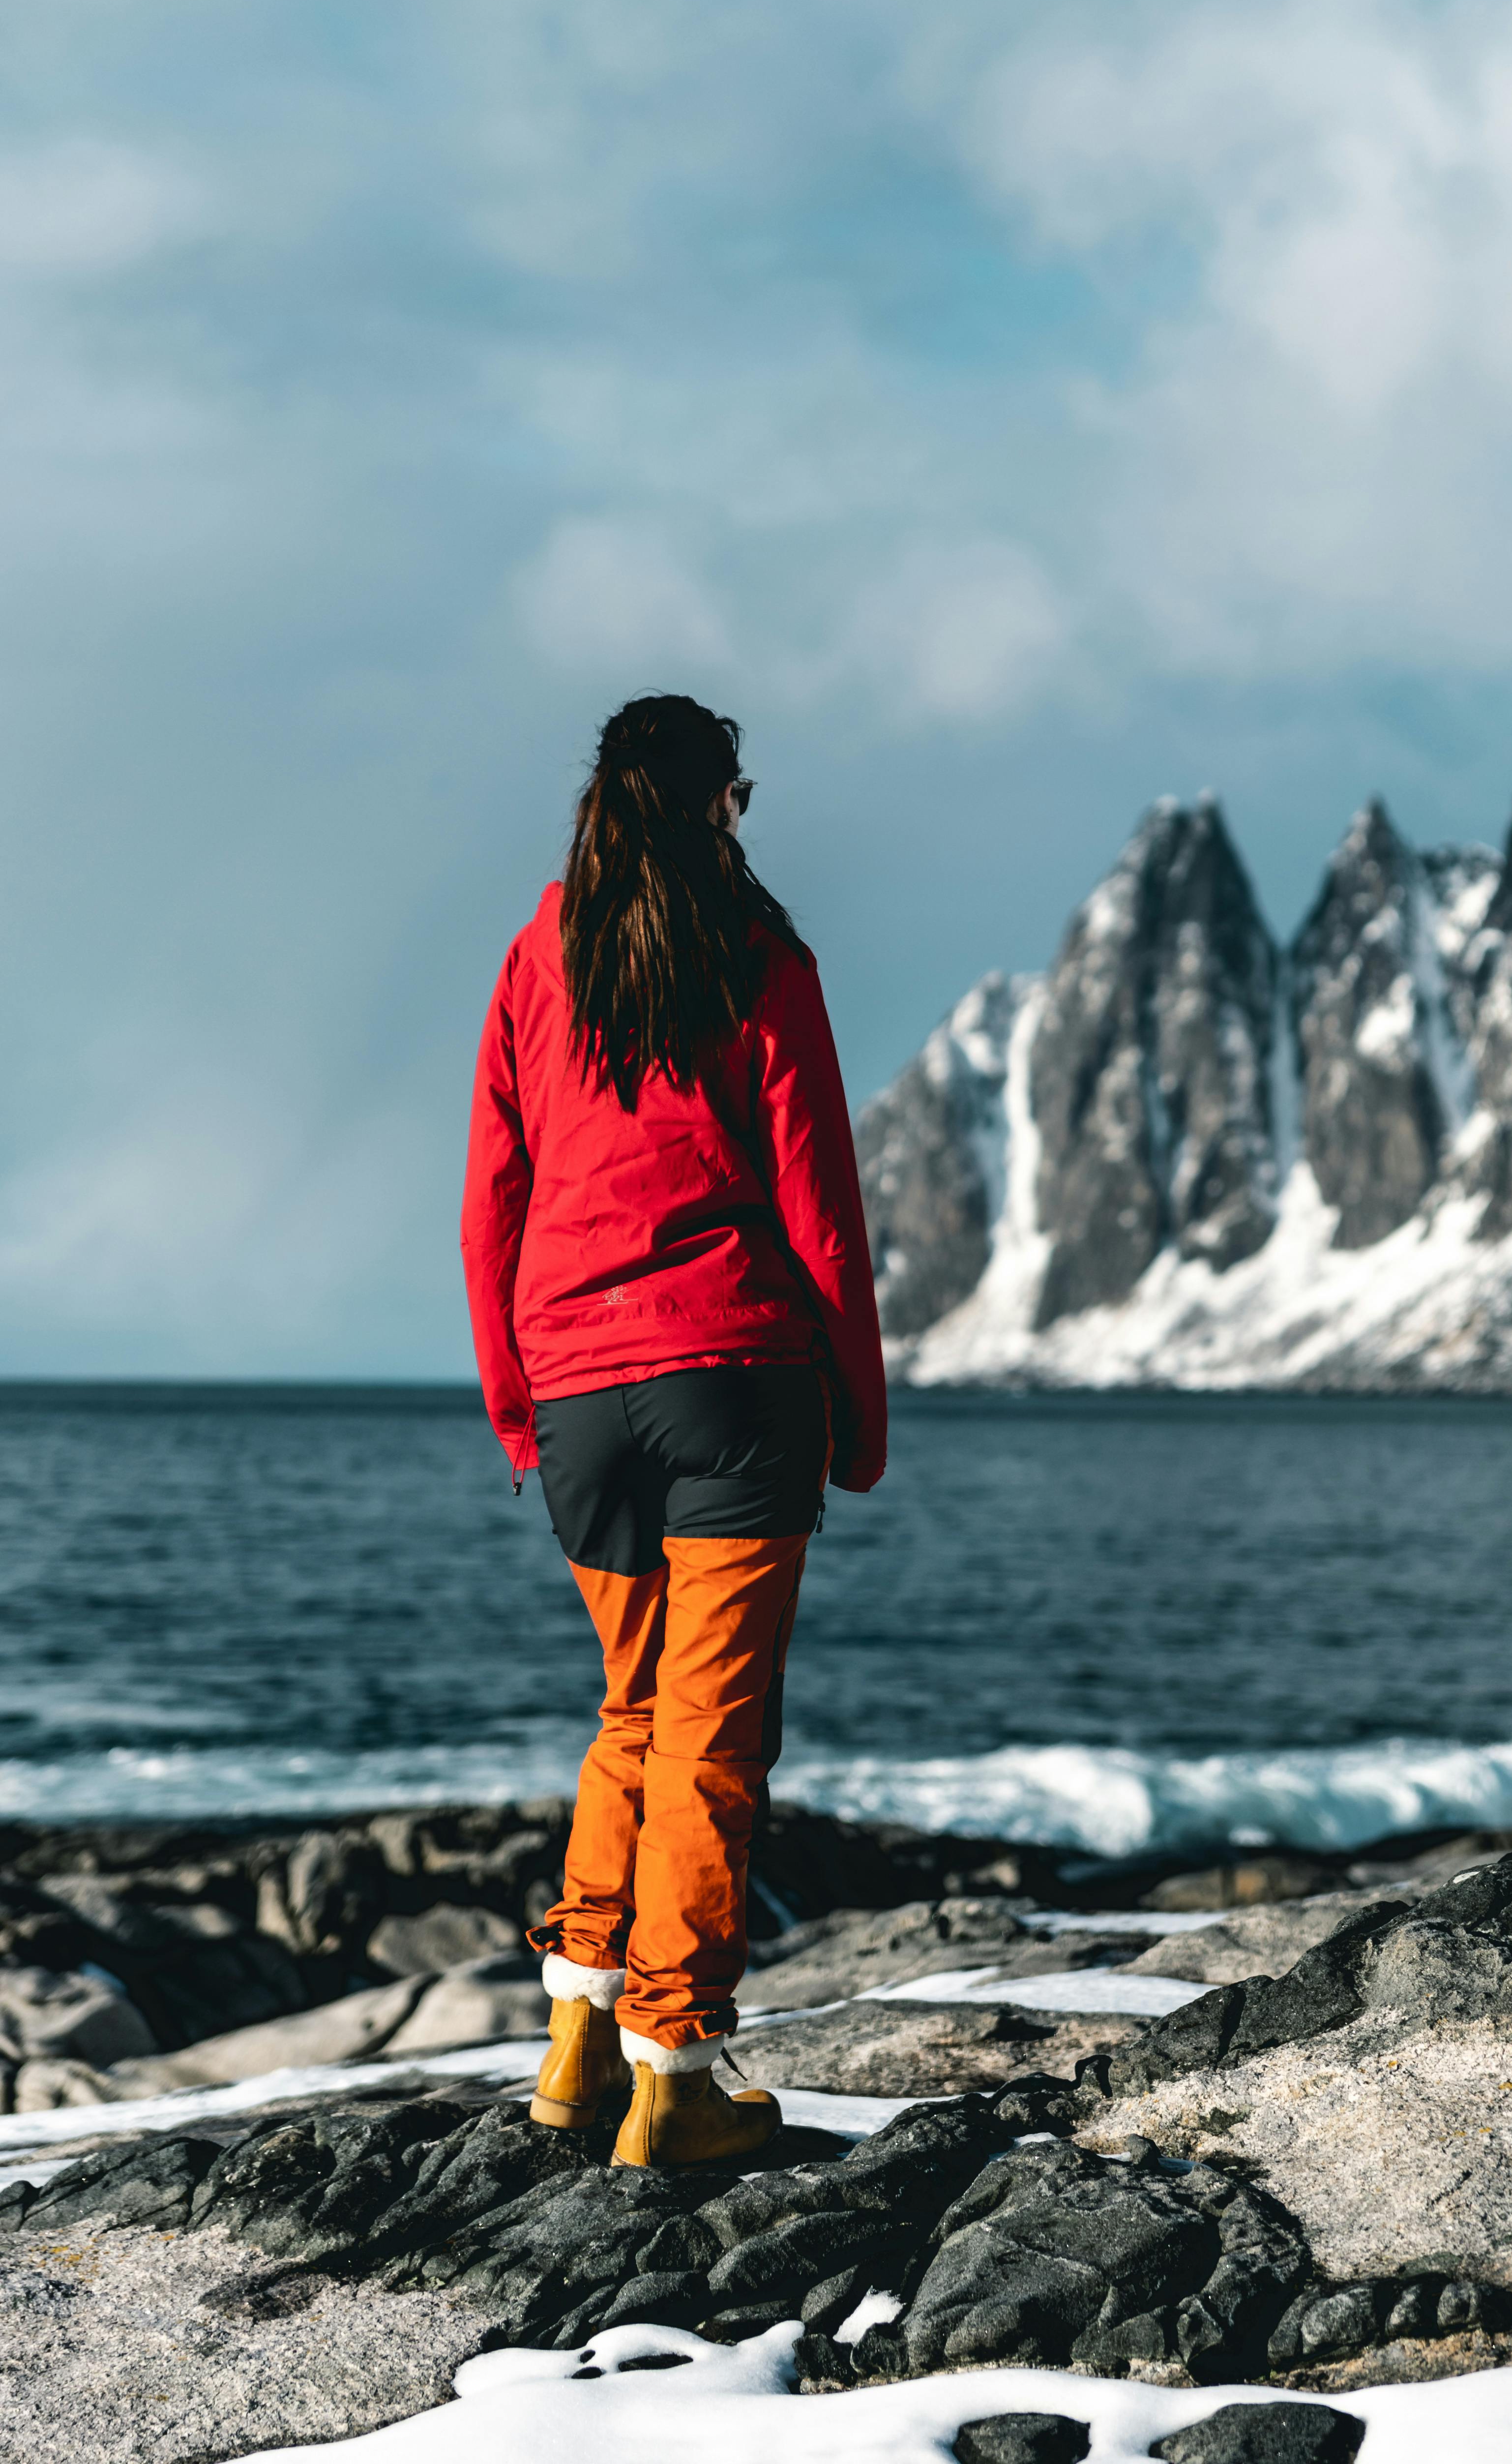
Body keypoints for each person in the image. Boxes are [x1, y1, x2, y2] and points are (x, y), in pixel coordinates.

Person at [460, 693, 886, 2168]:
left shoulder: (539, 954)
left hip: (577, 1391)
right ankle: (678, 2080)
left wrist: (520, 1404)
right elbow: (820, 1200)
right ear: (722, 803)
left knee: (631, 1718)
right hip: (736, 1385)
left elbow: (493, 1195)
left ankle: (574, 2044)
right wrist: (862, 1413)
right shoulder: (762, 955)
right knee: (709, 1741)